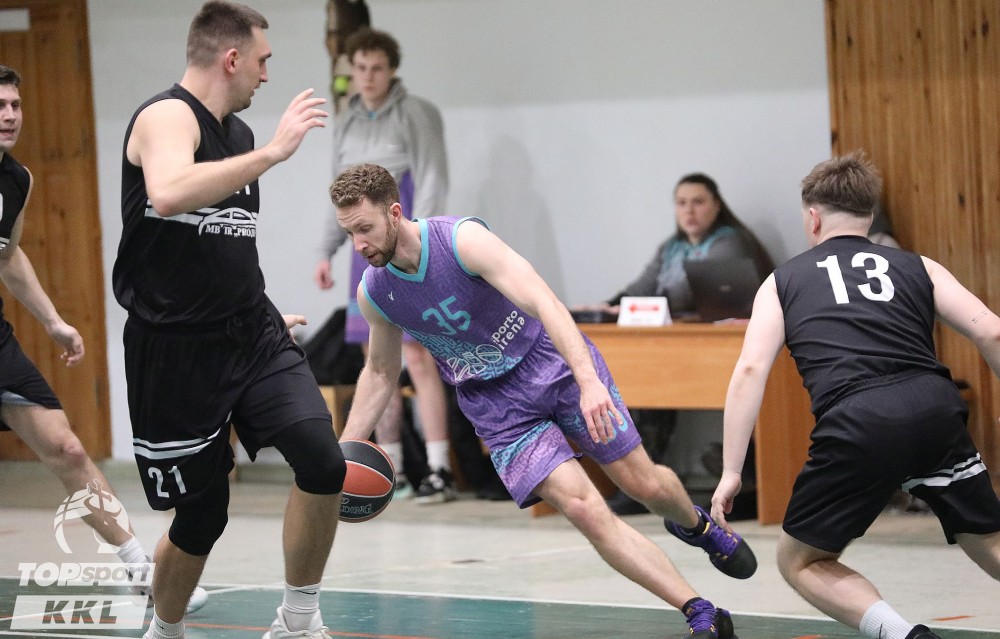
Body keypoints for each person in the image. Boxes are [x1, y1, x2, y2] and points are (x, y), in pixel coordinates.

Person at [330, 163, 758, 639]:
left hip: (552, 364)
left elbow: (543, 301)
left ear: (394, 212)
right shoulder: (375, 293)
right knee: (584, 509)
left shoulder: (462, 241)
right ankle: (698, 610)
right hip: (496, 406)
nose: (358, 245)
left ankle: (697, 526)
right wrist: (345, 453)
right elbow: (380, 371)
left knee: (645, 485)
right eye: (349, 234)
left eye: (364, 228)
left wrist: (588, 381)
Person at [112, 3, 345, 638]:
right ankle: (165, 629)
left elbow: (227, 239)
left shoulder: (237, 135)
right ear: (232, 58)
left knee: (323, 460)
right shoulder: (166, 116)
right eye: (263, 61)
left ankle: (298, 621)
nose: (266, 75)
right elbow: (168, 192)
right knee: (202, 514)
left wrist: (258, 307)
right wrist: (273, 153)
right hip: (174, 352)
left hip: (252, 333)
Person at [711, 153, 1000, 639]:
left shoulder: (783, 281)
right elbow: (991, 331)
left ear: (813, 218)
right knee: (987, 537)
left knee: (800, 561)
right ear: (869, 216)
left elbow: (751, 370)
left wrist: (732, 471)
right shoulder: (919, 266)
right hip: (935, 410)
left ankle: (902, 635)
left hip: (858, 420)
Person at [0, 65, 208, 614]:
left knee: (66, 446)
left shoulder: (17, 180)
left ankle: (143, 571)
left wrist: (52, 321)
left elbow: (9, 255)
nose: (10, 115)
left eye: (15, 105)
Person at [314, 27, 455, 503]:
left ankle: (439, 469)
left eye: (377, 68)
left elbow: (432, 176)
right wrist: (325, 250)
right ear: (351, 71)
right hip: (364, 244)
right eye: (360, 68)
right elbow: (340, 193)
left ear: (392, 70)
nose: (368, 77)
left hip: (404, 233)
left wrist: (425, 243)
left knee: (418, 356)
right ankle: (390, 467)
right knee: (376, 359)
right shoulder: (346, 122)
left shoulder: (416, 112)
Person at [588, 173, 774, 515]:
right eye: (682, 203)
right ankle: (640, 482)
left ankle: (746, 483)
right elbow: (642, 287)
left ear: (716, 206)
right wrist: (610, 306)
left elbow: (688, 291)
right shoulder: (671, 248)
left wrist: (642, 305)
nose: (689, 211)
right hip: (668, 343)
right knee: (639, 381)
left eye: (698, 202)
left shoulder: (729, 242)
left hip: (725, 343)